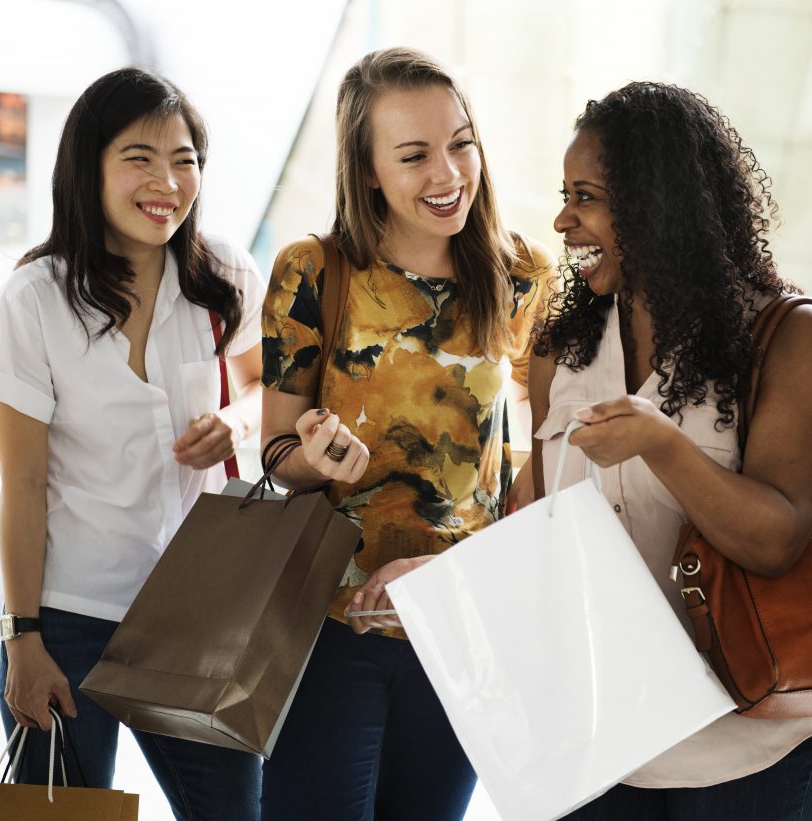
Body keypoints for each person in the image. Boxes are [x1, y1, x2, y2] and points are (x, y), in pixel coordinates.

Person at [259, 47, 556, 820]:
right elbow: (277, 454)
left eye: (461, 142)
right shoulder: (313, 272)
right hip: (330, 626)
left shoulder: (523, 276)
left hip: (464, 631)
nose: (449, 172)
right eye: (415, 155)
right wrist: (313, 461)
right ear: (367, 173)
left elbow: (547, 457)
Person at [0, 67, 264, 819]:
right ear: (90, 166)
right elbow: (23, 483)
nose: (166, 181)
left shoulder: (223, 273)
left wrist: (237, 420)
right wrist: (23, 640)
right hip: (69, 614)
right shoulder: (35, 297)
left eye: (185, 159)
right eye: (139, 157)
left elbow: (278, 388)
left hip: (195, 616)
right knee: (61, 814)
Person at [531, 81, 812, 820]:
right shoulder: (560, 348)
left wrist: (661, 444)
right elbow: (536, 528)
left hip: (747, 753)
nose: (563, 219)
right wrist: (441, 579)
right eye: (564, 194)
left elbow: (779, 538)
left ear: (656, 205)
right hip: (596, 746)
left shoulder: (786, 339)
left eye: (585, 196)